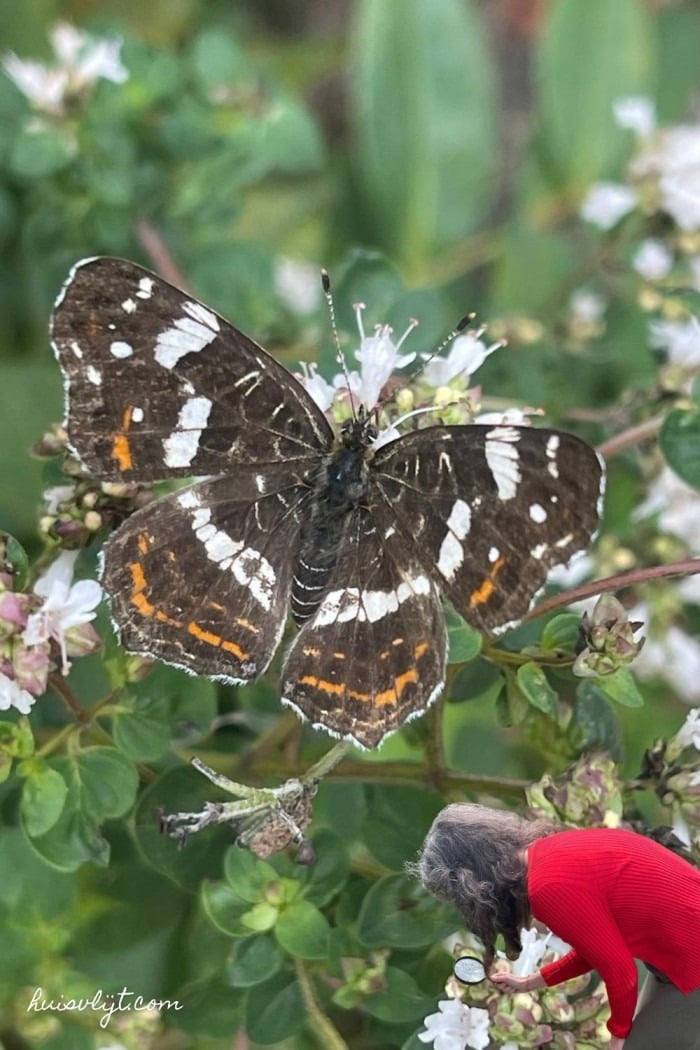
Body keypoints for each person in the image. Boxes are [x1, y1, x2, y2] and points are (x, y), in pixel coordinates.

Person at [409, 803, 700, 1049]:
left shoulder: (546, 889)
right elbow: (597, 947)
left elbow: (620, 970)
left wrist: (616, 1036)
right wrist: (532, 981)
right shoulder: (548, 853)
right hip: (674, 957)